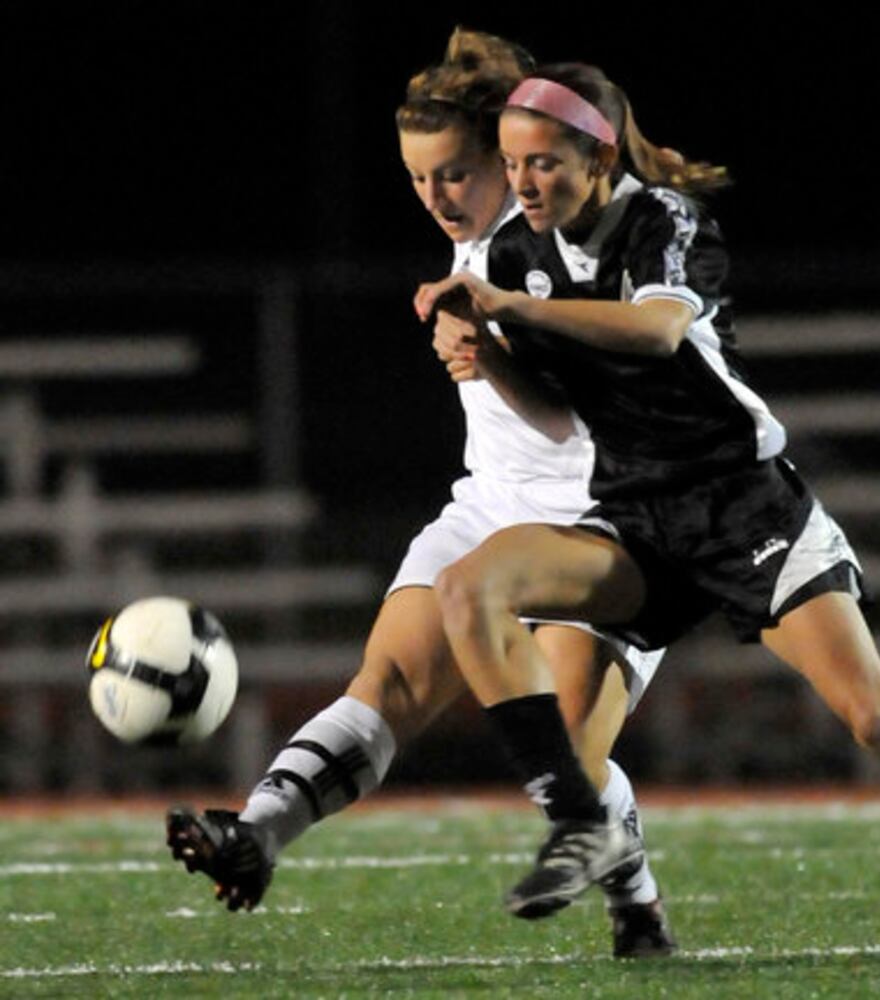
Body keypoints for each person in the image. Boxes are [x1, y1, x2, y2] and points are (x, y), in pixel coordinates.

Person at [415, 62, 880, 956]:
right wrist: (485, 356)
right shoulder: (517, 256)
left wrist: (511, 311)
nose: (522, 184)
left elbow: (658, 330)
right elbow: (558, 413)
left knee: (879, 721)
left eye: (544, 163)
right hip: (634, 520)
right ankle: (581, 833)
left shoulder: (662, 218)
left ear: (598, 157)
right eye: (512, 163)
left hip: (740, 509)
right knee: (472, 592)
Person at [164, 31, 676, 960]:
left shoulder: (562, 245)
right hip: (493, 505)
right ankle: (255, 833)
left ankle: (633, 896)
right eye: (416, 178)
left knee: (568, 749)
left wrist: (491, 351)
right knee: (388, 683)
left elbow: (588, 410)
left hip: (611, 517)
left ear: (507, 161)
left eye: (453, 174)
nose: (436, 197)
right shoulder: (480, 239)